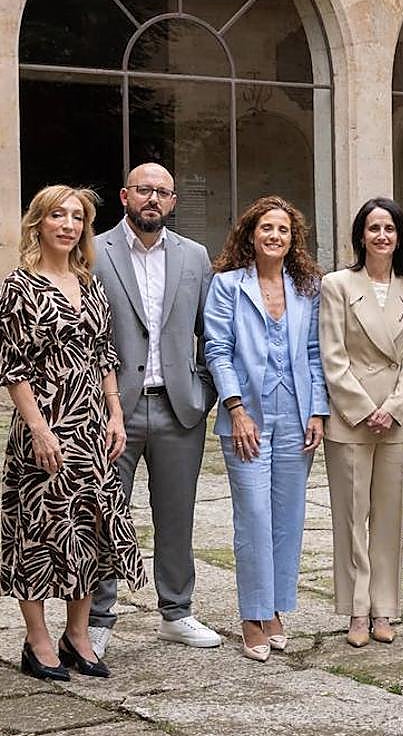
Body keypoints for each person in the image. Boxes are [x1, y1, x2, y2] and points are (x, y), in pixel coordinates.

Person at [0, 186, 146, 681]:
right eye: (58, 215)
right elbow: (13, 369)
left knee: (89, 529)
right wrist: (38, 430)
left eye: (77, 217)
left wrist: (116, 415)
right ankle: (37, 640)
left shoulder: (89, 282)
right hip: (45, 429)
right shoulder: (19, 286)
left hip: (92, 427)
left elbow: (105, 354)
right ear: (38, 223)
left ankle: (77, 634)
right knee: (37, 534)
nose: (68, 224)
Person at [87, 163, 221, 658]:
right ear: (125, 195)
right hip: (109, 411)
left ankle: (177, 613)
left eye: (162, 193)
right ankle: (99, 618)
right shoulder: (94, 250)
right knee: (104, 515)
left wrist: (203, 390)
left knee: (177, 516)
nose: (153, 199)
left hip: (177, 407)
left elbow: (212, 332)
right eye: (144, 190)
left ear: (173, 202)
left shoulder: (194, 256)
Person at [204, 195, 328, 662]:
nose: (275, 236)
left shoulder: (306, 288)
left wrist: (317, 411)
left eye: (283, 229)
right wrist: (235, 408)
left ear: (293, 238)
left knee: (288, 517)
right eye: (266, 228)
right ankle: (251, 615)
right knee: (253, 515)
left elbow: (315, 353)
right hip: (247, 417)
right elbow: (217, 350)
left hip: (295, 416)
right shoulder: (227, 286)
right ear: (250, 235)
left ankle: (276, 607)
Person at [320, 198, 403, 647]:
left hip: (396, 420)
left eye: (389, 228)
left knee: (389, 518)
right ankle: (356, 611)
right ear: (360, 235)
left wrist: (395, 407)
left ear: (399, 235)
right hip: (351, 419)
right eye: (373, 228)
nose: (381, 236)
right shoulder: (337, 284)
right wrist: (365, 409)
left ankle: (385, 610)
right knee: (351, 517)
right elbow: (332, 354)